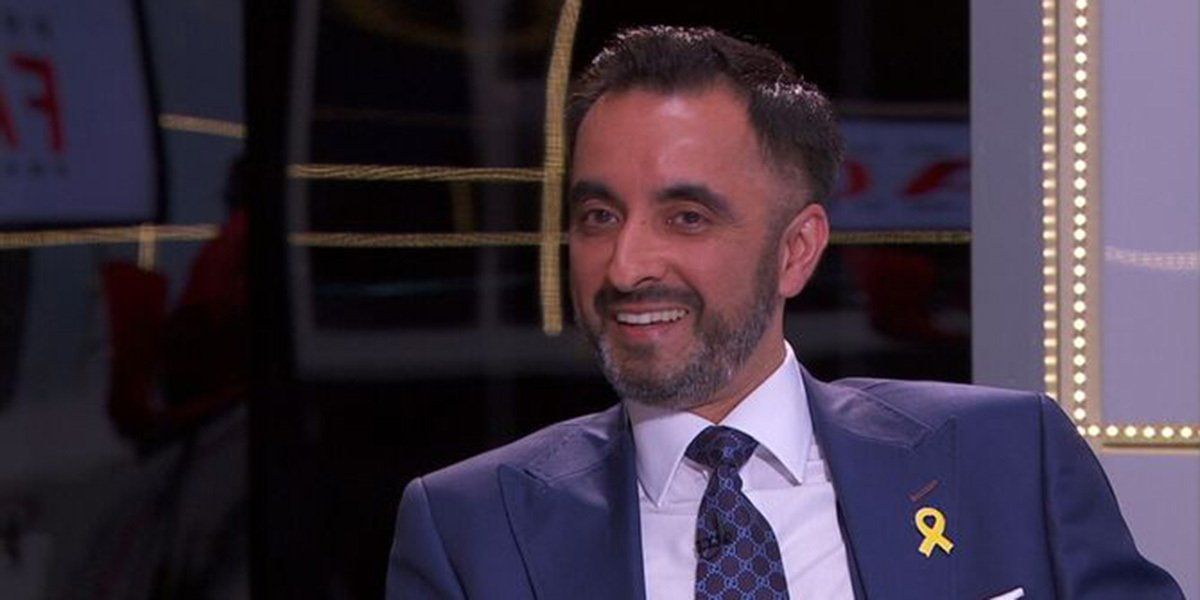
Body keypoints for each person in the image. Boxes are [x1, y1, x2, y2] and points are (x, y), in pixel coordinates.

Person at [386, 26, 1183, 599]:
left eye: (686, 217)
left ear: (797, 250)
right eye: (599, 216)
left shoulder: (1006, 458)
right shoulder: (471, 529)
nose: (626, 266)